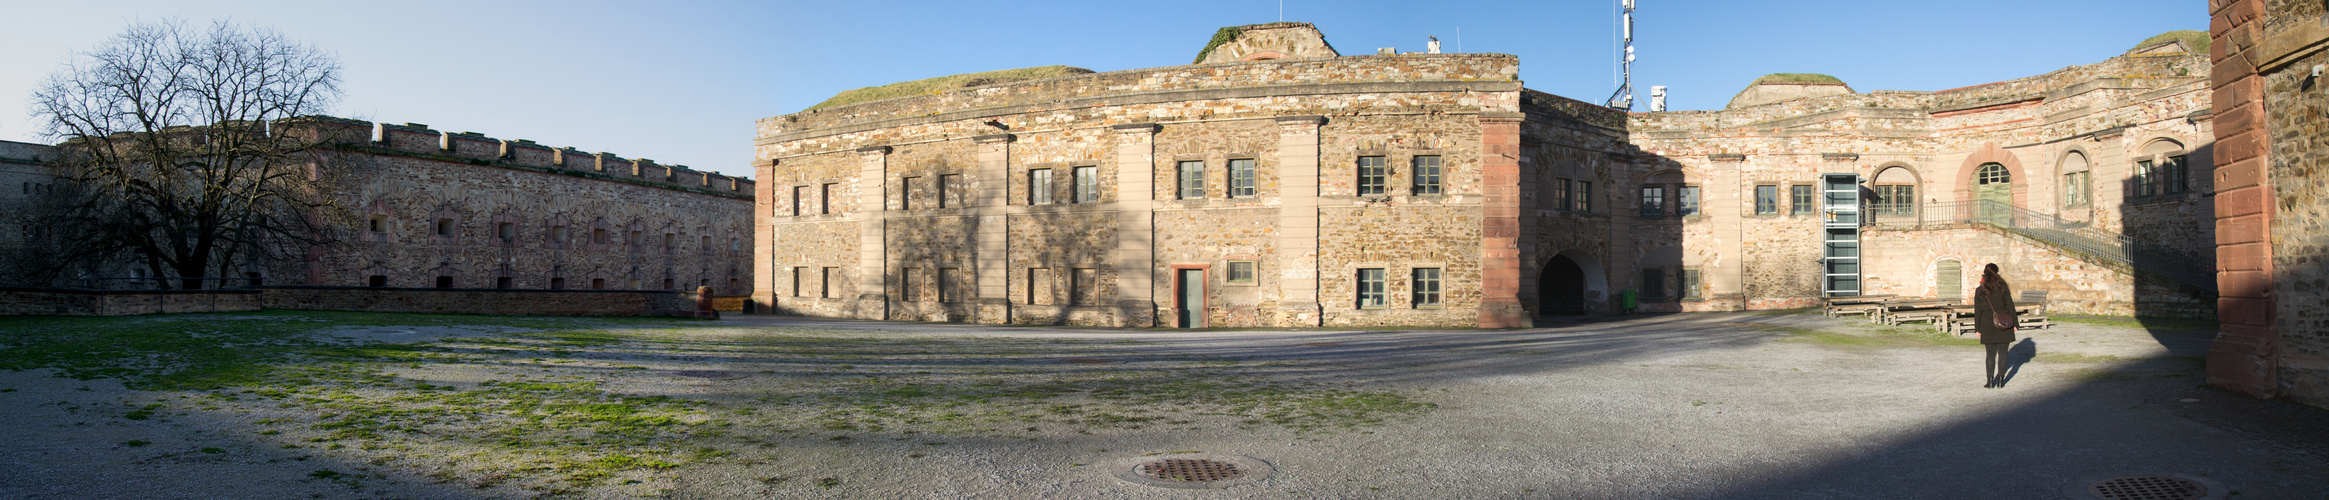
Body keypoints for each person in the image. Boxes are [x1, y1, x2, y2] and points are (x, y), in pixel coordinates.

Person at [1972, 263, 2017, 388]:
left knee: (1990, 354)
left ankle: (1990, 381)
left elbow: (1978, 311)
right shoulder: (2002, 287)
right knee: (2003, 353)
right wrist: (2015, 324)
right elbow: (2011, 306)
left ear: (1984, 273)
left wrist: (1977, 328)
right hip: (2004, 322)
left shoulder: (1980, 289)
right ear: (1997, 272)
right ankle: (2001, 381)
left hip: (1987, 324)